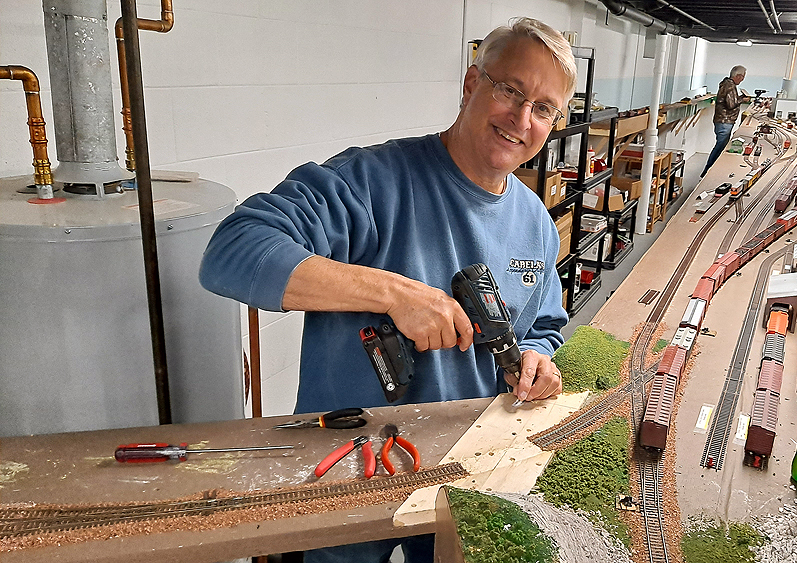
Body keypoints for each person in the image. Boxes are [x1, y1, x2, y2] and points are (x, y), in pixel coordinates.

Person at [199, 17, 574, 562]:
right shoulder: (372, 181)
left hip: (465, 469)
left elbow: (543, 321)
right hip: (349, 464)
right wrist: (392, 294)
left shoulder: (535, 221)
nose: (521, 118)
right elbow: (232, 250)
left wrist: (537, 357)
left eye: (543, 108)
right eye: (510, 90)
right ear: (471, 84)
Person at [700, 65, 751, 177]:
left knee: (721, 147)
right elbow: (731, 104)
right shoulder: (729, 86)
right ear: (738, 76)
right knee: (720, 147)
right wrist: (743, 99)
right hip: (724, 121)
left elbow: (731, 101)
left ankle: (710, 171)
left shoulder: (727, 84)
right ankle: (707, 172)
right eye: (742, 77)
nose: (742, 80)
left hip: (724, 121)